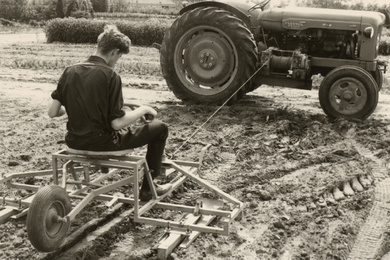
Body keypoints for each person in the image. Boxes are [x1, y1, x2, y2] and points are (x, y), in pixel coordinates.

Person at [47, 25, 172, 201]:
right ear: (114, 52)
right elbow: (117, 123)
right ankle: (148, 189)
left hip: (74, 142)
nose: (116, 61)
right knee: (160, 128)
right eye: (119, 57)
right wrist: (143, 109)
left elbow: (53, 112)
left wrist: (75, 105)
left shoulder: (70, 71)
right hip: (102, 144)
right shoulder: (110, 76)